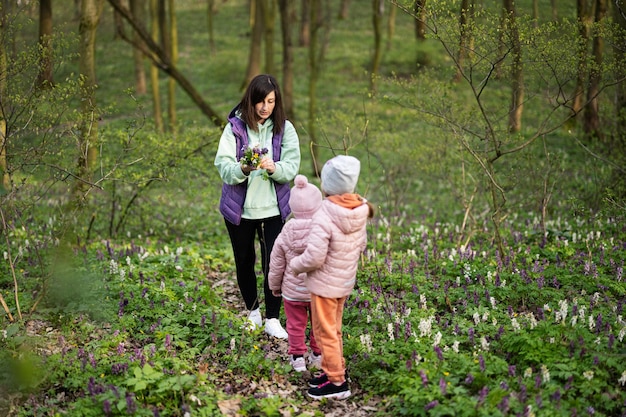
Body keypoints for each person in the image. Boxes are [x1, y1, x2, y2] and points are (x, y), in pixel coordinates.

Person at [214, 74, 301, 339]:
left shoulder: (285, 129)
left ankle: (272, 318)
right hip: (239, 210)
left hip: (273, 210)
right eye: (261, 101)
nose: (265, 107)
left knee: (274, 264)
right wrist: (243, 167)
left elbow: (292, 166)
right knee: (244, 260)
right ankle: (253, 313)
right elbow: (223, 166)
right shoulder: (234, 128)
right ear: (250, 101)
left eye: (271, 101)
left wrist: (275, 167)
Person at [290, 155, 374, 400]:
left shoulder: (325, 213)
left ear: (328, 185)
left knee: (324, 331)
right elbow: (362, 245)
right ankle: (332, 370)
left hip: (325, 285)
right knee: (333, 329)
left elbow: (314, 257)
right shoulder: (358, 209)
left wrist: (296, 265)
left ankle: (337, 382)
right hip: (344, 282)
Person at [269, 175, 323, 372]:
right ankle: (317, 355)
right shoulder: (323, 230)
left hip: (292, 292)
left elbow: (275, 263)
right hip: (317, 291)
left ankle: (298, 358)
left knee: (294, 325)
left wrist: (274, 286)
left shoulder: (285, 231)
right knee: (319, 325)